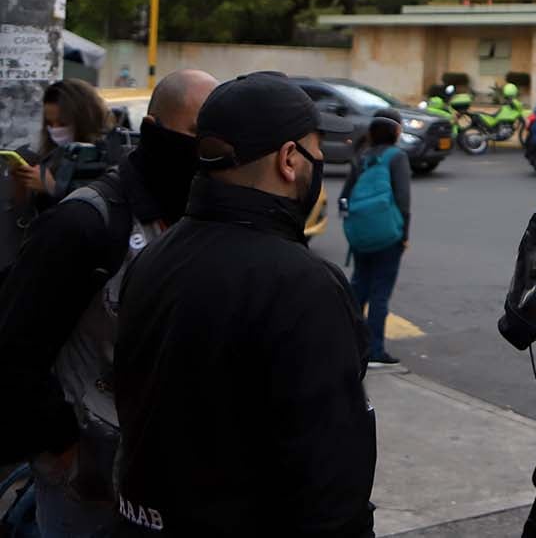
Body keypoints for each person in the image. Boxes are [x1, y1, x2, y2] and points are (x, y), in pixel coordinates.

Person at [112, 72, 373, 537]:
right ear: (289, 160)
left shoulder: (152, 258)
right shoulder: (305, 286)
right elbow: (332, 481)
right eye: (314, 151)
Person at [0, 69, 217, 537]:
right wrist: (62, 448)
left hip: (159, 473)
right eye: (198, 133)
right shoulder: (85, 222)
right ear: (157, 129)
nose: (210, 150)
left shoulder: (191, 219)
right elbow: (16, 347)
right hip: (85, 481)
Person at [340, 107, 411, 368]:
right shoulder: (397, 157)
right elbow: (403, 200)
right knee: (380, 292)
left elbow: (345, 197)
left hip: (361, 235)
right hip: (387, 235)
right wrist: (404, 235)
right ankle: (376, 349)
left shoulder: (362, 156)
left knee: (359, 286)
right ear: (395, 130)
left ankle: (349, 342)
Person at [9, 80, 110, 221]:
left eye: (63, 123)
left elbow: (102, 207)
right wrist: (23, 186)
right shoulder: (51, 155)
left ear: (83, 119)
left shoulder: (107, 154)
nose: (55, 130)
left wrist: (54, 189)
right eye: (50, 124)